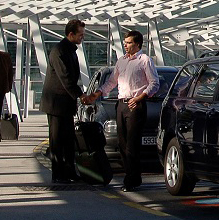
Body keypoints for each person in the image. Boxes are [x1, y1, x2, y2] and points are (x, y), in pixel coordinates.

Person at [85, 30, 159, 192]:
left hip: (136, 105)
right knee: (122, 143)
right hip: (121, 104)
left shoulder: (145, 60)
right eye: (125, 42)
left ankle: (130, 180)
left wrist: (139, 98)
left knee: (132, 144)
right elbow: (111, 82)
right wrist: (95, 94)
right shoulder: (121, 61)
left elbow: (154, 83)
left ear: (137, 44)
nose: (126, 45)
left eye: (129, 42)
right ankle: (133, 176)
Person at [39, 19, 85, 183]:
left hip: (64, 104)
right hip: (56, 104)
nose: (82, 38)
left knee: (67, 139)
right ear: (70, 34)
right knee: (57, 139)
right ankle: (58, 174)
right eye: (80, 35)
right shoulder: (59, 51)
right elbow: (65, 77)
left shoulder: (70, 50)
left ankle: (69, 171)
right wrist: (80, 95)